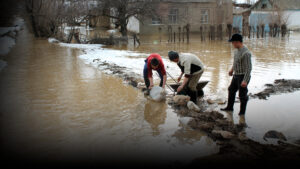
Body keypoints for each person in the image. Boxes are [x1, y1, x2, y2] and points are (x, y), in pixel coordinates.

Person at [221, 34, 252, 115]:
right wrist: (231, 70)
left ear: (238, 42)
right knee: (231, 90)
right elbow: (235, 62)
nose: (232, 44)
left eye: (233, 42)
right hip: (236, 75)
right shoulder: (236, 51)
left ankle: (242, 113)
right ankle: (229, 108)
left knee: (242, 95)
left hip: (243, 76)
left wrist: (245, 80)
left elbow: (248, 69)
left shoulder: (246, 53)